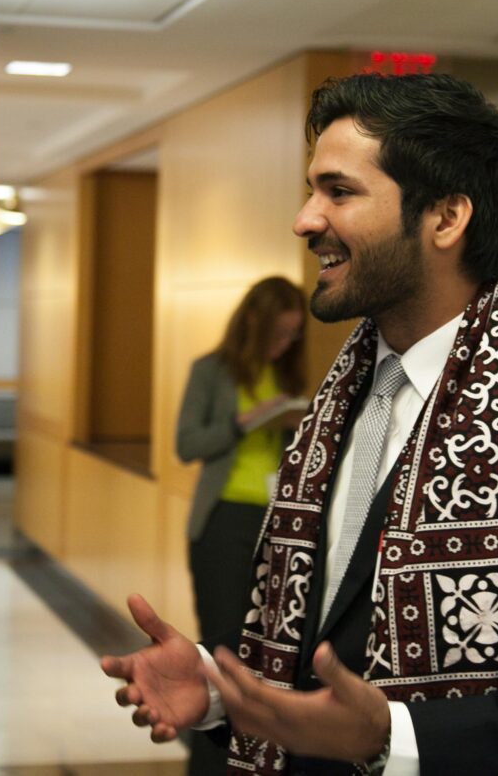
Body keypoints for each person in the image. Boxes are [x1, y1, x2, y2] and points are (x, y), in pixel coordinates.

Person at [101, 72, 498, 775]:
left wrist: (394, 738)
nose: (305, 220)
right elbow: (324, 634)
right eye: (312, 191)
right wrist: (220, 689)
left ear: (445, 219)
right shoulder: (343, 396)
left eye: (339, 192)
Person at [176, 276, 305, 774]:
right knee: (220, 650)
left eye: (293, 335)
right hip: (224, 520)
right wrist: (247, 419)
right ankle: (207, 763)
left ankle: (251, 757)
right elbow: (187, 444)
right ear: (254, 321)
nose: (284, 344)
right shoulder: (211, 371)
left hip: (275, 522)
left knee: (262, 652)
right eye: (279, 332)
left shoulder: (289, 375)